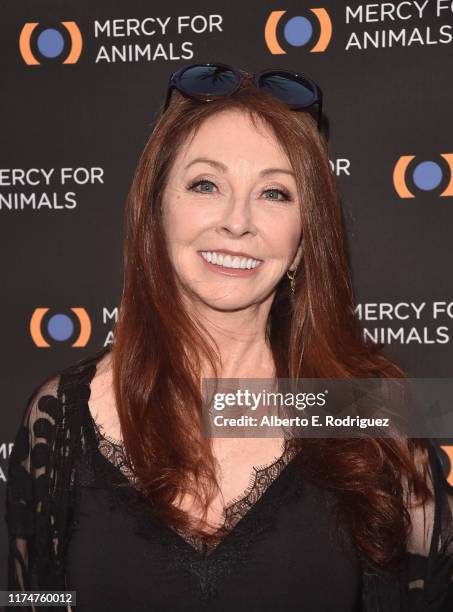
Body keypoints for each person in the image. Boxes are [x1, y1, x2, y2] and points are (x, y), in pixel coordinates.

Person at [5, 63, 453, 611]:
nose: (237, 221)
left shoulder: (372, 410)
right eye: (205, 184)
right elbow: (34, 601)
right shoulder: (62, 417)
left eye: (274, 193)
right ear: (156, 211)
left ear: (305, 237)